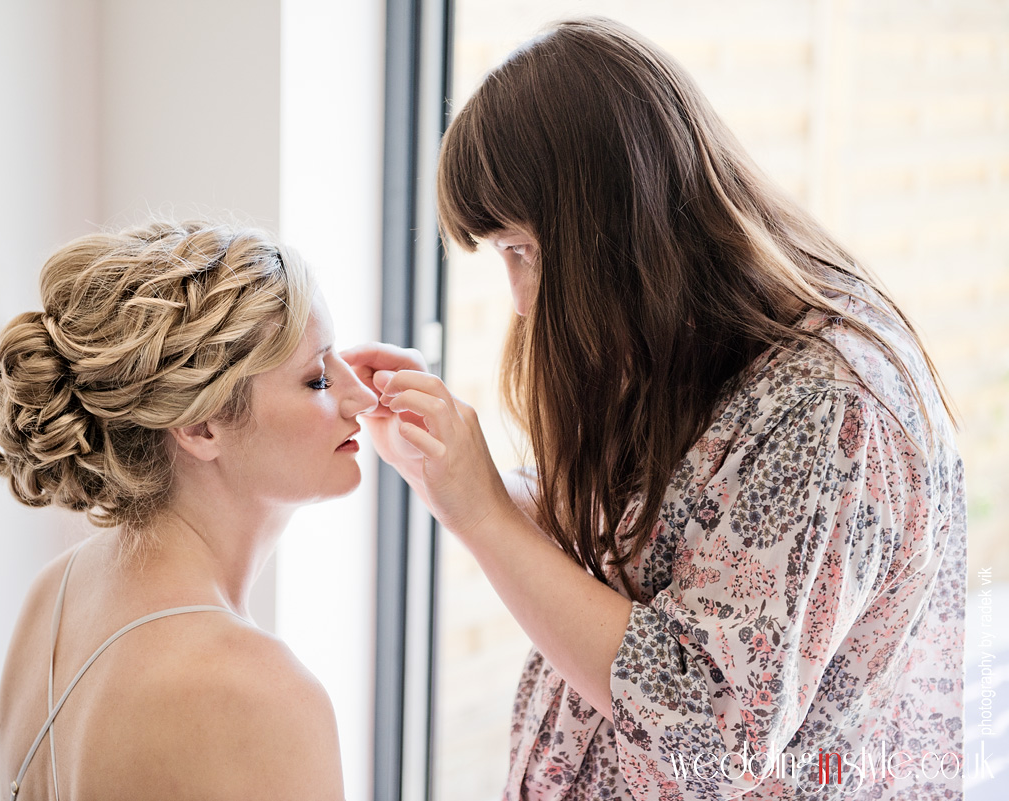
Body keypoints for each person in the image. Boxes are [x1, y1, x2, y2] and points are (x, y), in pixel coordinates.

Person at [344, 17, 965, 800]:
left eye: (521, 251)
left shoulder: (831, 414)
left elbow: (706, 728)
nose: (521, 300)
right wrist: (470, 476)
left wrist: (484, 517)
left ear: (614, 226)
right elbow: (656, 546)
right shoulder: (696, 340)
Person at [0, 219, 374, 800]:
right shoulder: (258, 690)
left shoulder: (57, 594)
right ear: (200, 426)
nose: (362, 395)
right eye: (318, 379)